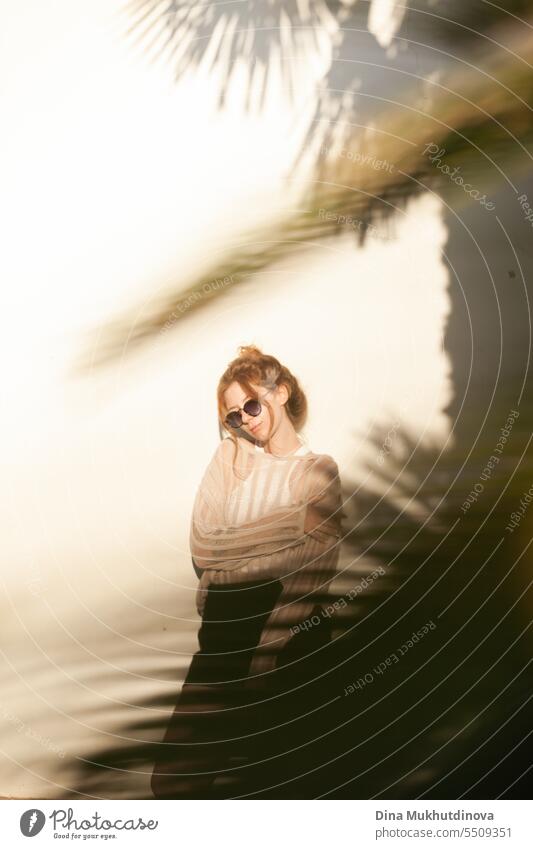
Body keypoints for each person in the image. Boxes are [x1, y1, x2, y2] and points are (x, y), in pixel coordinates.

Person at [151, 345, 345, 798]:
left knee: (282, 785)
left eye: (252, 405)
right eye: (235, 416)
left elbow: (313, 569)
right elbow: (204, 541)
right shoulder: (231, 457)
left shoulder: (318, 470)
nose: (246, 420)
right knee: (173, 780)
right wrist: (290, 526)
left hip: (288, 634)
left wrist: (266, 653)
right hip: (221, 633)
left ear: (281, 392)